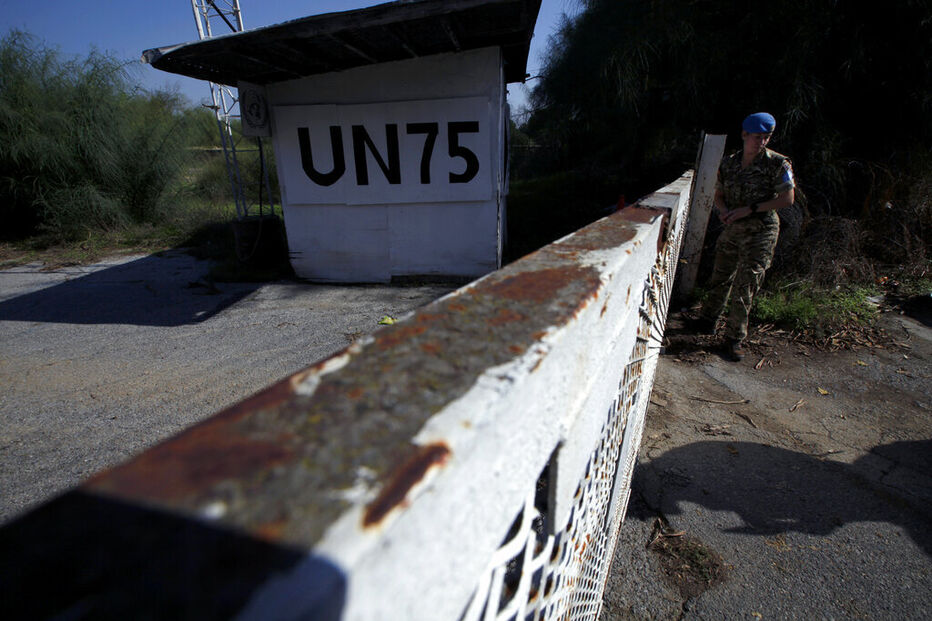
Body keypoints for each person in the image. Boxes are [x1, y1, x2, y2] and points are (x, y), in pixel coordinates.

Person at [694, 112, 795, 361]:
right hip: (734, 227)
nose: (761, 142)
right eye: (757, 137)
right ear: (744, 134)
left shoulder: (777, 164)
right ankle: (707, 320)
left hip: (760, 231)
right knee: (721, 275)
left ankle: (733, 338)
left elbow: (787, 198)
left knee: (746, 284)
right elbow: (718, 193)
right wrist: (723, 211)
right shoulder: (729, 163)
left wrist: (750, 209)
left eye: (766, 137)